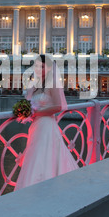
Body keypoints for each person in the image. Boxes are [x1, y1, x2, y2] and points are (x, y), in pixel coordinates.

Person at [15, 55, 79, 191]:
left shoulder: (53, 84)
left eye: (42, 66)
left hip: (47, 126)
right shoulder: (34, 86)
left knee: (45, 156)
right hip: (35, 126)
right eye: (37, 66)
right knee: (34, 156)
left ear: (49, 68)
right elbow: (28, 102)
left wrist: (35, 112)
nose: (39, 69)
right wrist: (24, 111)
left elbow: (58, 106)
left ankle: (47, 187)